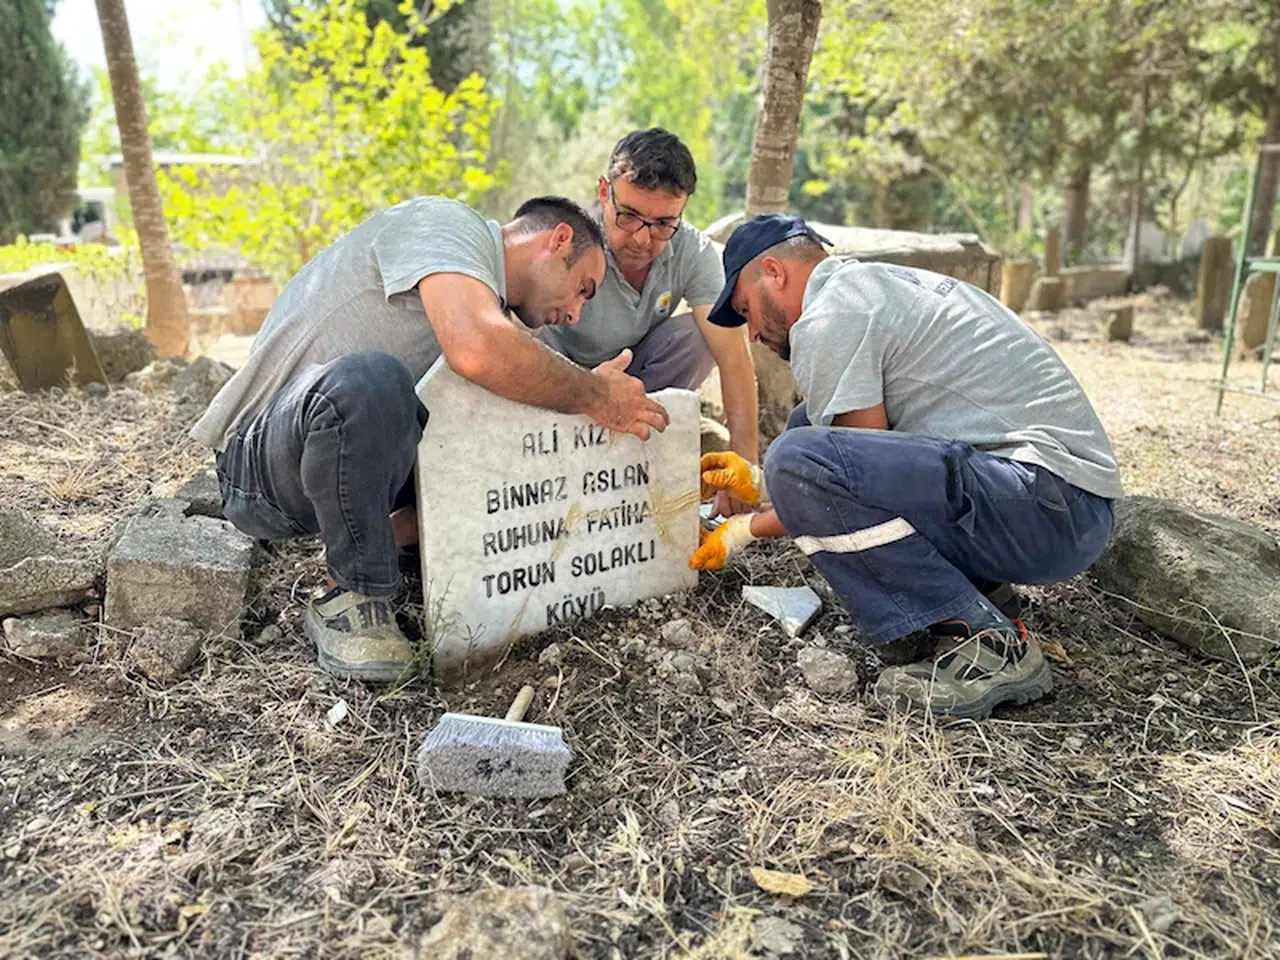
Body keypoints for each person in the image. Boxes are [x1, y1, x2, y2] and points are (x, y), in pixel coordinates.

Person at [190, 196, 669, 681]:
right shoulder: (446, 225)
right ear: (558, 239)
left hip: (338, 456)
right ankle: (350, 595)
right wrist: (594, 394)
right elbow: (477, 350)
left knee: (496, 427)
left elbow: (514, 384)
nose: (575, 314)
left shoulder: (491, 304)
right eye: (582, 289)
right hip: (259, 463)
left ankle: (396, 538)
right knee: (373, 380)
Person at [691, 214, 1122, 720]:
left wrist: (746, 526)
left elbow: (844, 482)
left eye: (746, 309)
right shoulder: (870, 285)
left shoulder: (830, 315)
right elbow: (865, 463)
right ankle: (978, 595)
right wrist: (765, 490)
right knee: (808, 426)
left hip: (1048, 507)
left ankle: (986, 644)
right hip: (1058, 503)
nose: (754, 335)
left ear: (773, 271)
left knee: (798, 458)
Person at [541, 128, 760, 478]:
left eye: (663, 223)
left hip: (638, 380)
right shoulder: (564, 238)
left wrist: (746, 466)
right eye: (628, 215)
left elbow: (734, 357)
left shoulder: (694, 251)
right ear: (603, 192)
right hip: (556, 382)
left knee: (707, 331)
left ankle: (642, 437)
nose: (642, 240)